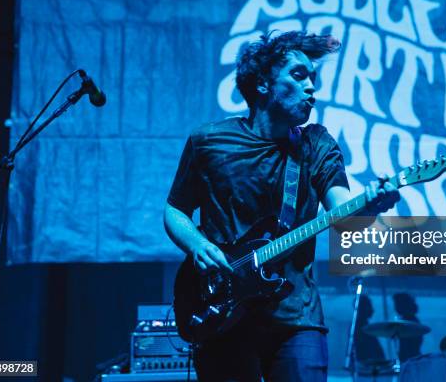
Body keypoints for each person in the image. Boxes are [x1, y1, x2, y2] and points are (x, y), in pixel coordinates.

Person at [164, 31, 400, 382]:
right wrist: (197, 245)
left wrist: (371, 206)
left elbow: (344, 217)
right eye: (298, 75)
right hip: (222, 309)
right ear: (262, 84)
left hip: (295, 315)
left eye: (313, 78)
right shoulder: (209, 142)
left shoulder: (316, 144)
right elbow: (175, 210)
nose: (311, 89)